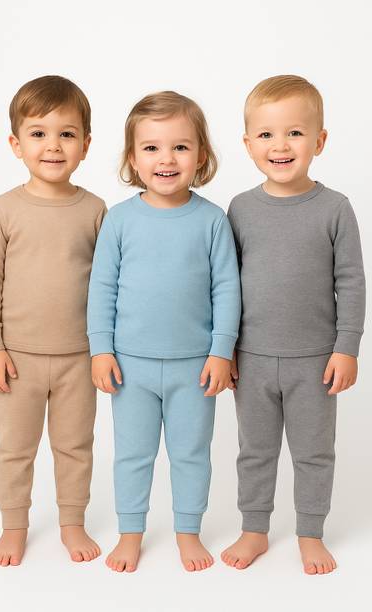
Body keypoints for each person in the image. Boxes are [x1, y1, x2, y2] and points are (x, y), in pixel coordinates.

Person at [87, 91, 241, 572]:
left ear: (201, 155)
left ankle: (188, 532)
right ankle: (130, 532)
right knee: (132, 454)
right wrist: (100, 349)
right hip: (129, 366)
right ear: (133, 158)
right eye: (151, 147)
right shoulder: (119, 220)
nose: (166, 159)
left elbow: (227, 289)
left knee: (191, 454)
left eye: (180, 146)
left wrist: (221, 351)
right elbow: (101, 288)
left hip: (195, 366)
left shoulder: (213, 220)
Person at [222, 75, 366, 574]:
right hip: (252, 359)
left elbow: (351, 282)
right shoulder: (240, 209)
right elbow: (225, 284)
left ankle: (310, 532)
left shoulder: (335, 208)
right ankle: (254, 529)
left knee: (313, 453)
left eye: (295, 133)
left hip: (315, 361)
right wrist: (226, 348)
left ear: (319, 141)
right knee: (255, 451)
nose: (280, 146)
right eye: (266, 134)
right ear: (248, 144)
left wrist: (347, 347)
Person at [0, 75, 106, 566]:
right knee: (15, 449)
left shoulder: (95, 210)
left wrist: (104, 347)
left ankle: (72, 522)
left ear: (85, 145)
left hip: (79, 357)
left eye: (66, 134)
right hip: (17, 359)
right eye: (38, 133)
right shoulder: (4, 210)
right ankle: (14, 526)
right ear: (16, 144)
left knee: (75, 446)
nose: (53, 145)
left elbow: (108, 285)